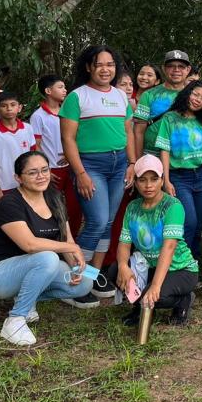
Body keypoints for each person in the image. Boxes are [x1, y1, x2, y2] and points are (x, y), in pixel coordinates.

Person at [0, 152, 94, 345]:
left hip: (38, 266)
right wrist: (71, 247)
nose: (41, 176)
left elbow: (66, 239)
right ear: (18, 178)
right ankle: (15, 319)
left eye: (44, 170)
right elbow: (29, 245)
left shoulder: (55, 198)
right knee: (48, 257)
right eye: (32, 172)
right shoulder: (9, 203)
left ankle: (27, 298)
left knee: (87, 280)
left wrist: (75, 266)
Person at [59, 44, 135, 304]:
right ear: (88, 67)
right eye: (99, 64)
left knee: (108, 222)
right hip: (90, 165)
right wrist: (80, 173)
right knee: (97, 221)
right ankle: (74, 280)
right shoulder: (77, 97)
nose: (105, 69)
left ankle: (93, 276)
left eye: (110, 65)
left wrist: (132, 163)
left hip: (119, 164)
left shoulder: (121, 96)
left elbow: (128, 132)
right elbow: (68, 139)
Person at [114, 154, 199, 327]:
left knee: (153, 295)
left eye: (154, 179)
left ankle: (183, 299)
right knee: (114, 271)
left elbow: (169, 247)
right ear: (135, 182)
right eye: (142, 180)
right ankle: (140, 308)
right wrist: (123, 266)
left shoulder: (172, 206)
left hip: (180, 269)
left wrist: (155, 286)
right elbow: (124, 243)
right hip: (150, 267)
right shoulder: (132, 207)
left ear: (162, 180)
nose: (148, 185)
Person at [155, 80, 202, 257]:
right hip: (179, 177)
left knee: (199, 223)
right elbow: (164, 150)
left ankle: (193, 260)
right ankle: (179, 259)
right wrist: (166, 180)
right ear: (187, 93)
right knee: (188, 221)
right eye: (195, 94)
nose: (198, 100)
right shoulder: (170, 118)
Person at [31, 75, 82, 238]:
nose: (65, 90)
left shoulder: (69, 112)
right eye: (60, 87)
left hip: (71, 166)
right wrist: (44, 169)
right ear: (48, 91)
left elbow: (76, 137)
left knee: (75, 205)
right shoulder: (38, 116)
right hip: (51, 170)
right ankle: (52, 238)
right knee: (51, 205)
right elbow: (36, 145)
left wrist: (70, 155)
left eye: (64, 87)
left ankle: (72, 238)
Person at [133, 50, 192, 158]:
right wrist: (139, 160)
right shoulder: (148, 95)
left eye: (181, 66)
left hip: (184, 159)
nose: (176, 70)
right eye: (171, 66)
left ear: (188, 70)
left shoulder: (194, 96)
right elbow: (138, 132)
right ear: (164, 68)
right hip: (153, 157)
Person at [0, 91, 36, 203]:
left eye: (13, 105)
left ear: (19, 107)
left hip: (26, 183)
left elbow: (33, 156)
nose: (9, 109)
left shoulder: (28, 128)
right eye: (4, 106)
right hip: (4, 185)